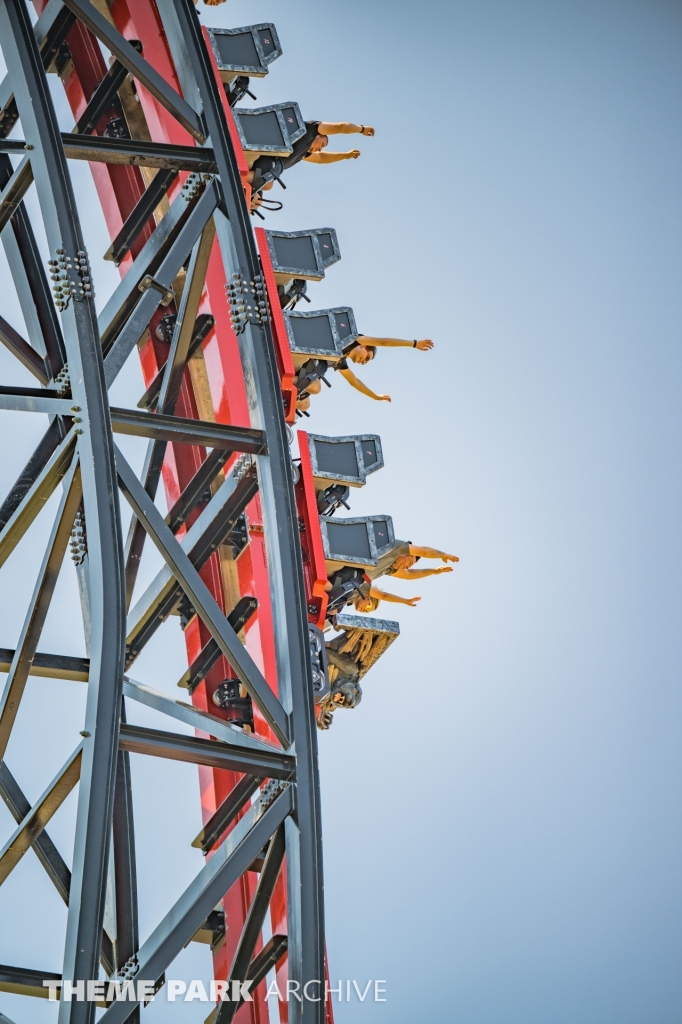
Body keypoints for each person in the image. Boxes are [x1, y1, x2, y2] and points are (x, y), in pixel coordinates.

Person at [295, 335, 434, 412]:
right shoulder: (353, 340)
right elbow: (383, 342)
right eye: (367, 357)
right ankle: (280, 382)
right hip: (302, 354)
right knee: (315, 387)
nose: (365, 362)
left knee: (304, 405)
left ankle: (286, 391)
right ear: (363, 346)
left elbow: (354, 381)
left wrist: (375, 397)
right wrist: (414, 344)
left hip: (304, 369)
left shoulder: (340, 361)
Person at [248, 122, 374, 195]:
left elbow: (321, 158)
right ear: (318, 136)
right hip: (268, 156)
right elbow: (340, 127)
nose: (320, 149)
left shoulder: (303, 153)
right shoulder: (309, 131)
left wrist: (346, 155)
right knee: (268, 184)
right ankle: (235, 174)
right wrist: (361, 129)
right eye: (322, 144)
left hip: (269, 168)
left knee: (258, 197)